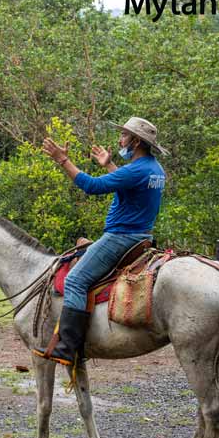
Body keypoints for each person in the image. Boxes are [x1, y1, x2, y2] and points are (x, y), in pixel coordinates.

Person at [34, 117, 168, 366]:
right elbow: (130, 185)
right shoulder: (155, 169)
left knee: (75, 279)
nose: (120, 140)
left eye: (125, 136)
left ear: (137, 141)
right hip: (142, 237)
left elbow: (91, 186)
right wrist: (109, 165)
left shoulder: (137, 170)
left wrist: (62, 160)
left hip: (121, 237)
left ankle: (68, 346)